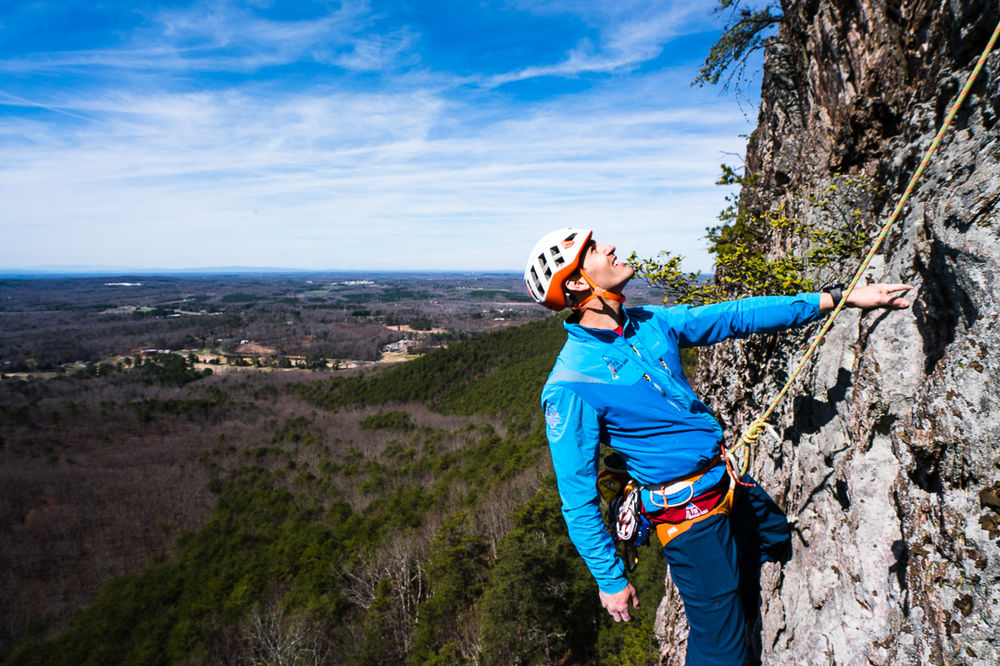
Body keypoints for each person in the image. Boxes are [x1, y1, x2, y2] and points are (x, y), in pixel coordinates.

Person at [524, 228, 913, 664]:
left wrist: (837, 299)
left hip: (726, 481)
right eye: (594, 250)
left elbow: (736, 315)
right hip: (691, 522)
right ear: (577, 283)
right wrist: (609, 578)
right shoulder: (570, 384)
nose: (611, 247)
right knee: (721, 651)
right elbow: (576, 498)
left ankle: (740, 598)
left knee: (775, 537)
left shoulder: (651, 324)